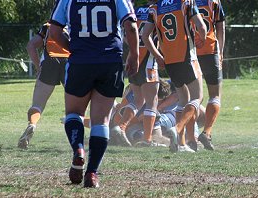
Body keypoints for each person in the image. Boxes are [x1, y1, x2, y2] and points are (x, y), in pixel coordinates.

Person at [49, 0, 139, 188]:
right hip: (110, 62)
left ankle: (79, 149)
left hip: (80, 63)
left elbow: (54, 32)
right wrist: (134, 54)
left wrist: (74, 48)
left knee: (73, 113)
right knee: (101, 120)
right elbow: (130, 26)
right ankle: (92, 173)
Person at [142, 0, 207, 152]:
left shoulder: (155, 8)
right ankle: (177, 129)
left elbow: (145, 35)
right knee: (197, 97)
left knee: (183, 99)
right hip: (187, 57)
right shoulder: (186, 2)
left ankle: (182, 144)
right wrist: (201, 38)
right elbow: (201, 27)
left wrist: (158, 56)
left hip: (169, 61)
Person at [111, 0, 161, 147]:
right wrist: (158, 55)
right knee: (152, 102)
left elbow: (126, 35)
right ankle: (147, 140)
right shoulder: (157, 10)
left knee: (138, 100)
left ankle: (121, 127)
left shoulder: (136, 10)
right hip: (148, 61)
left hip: (133, 58)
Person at [18, 22, 69, 149]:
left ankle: (32, 124)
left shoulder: (48, 26)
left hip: (49, 62)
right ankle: (76, 137)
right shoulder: (77, 24)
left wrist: (38, 67)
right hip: (69, 64)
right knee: (75, 107)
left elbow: (31, 46)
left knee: (37, 105)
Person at [194, 0, 225, 150]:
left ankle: (188, 135)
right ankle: (206, 132)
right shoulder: (213, 1)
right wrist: (221, 51)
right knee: (215, 95)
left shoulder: (185, 1)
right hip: (210, 50)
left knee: (191, 96)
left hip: (190, 52)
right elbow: (220, 26)